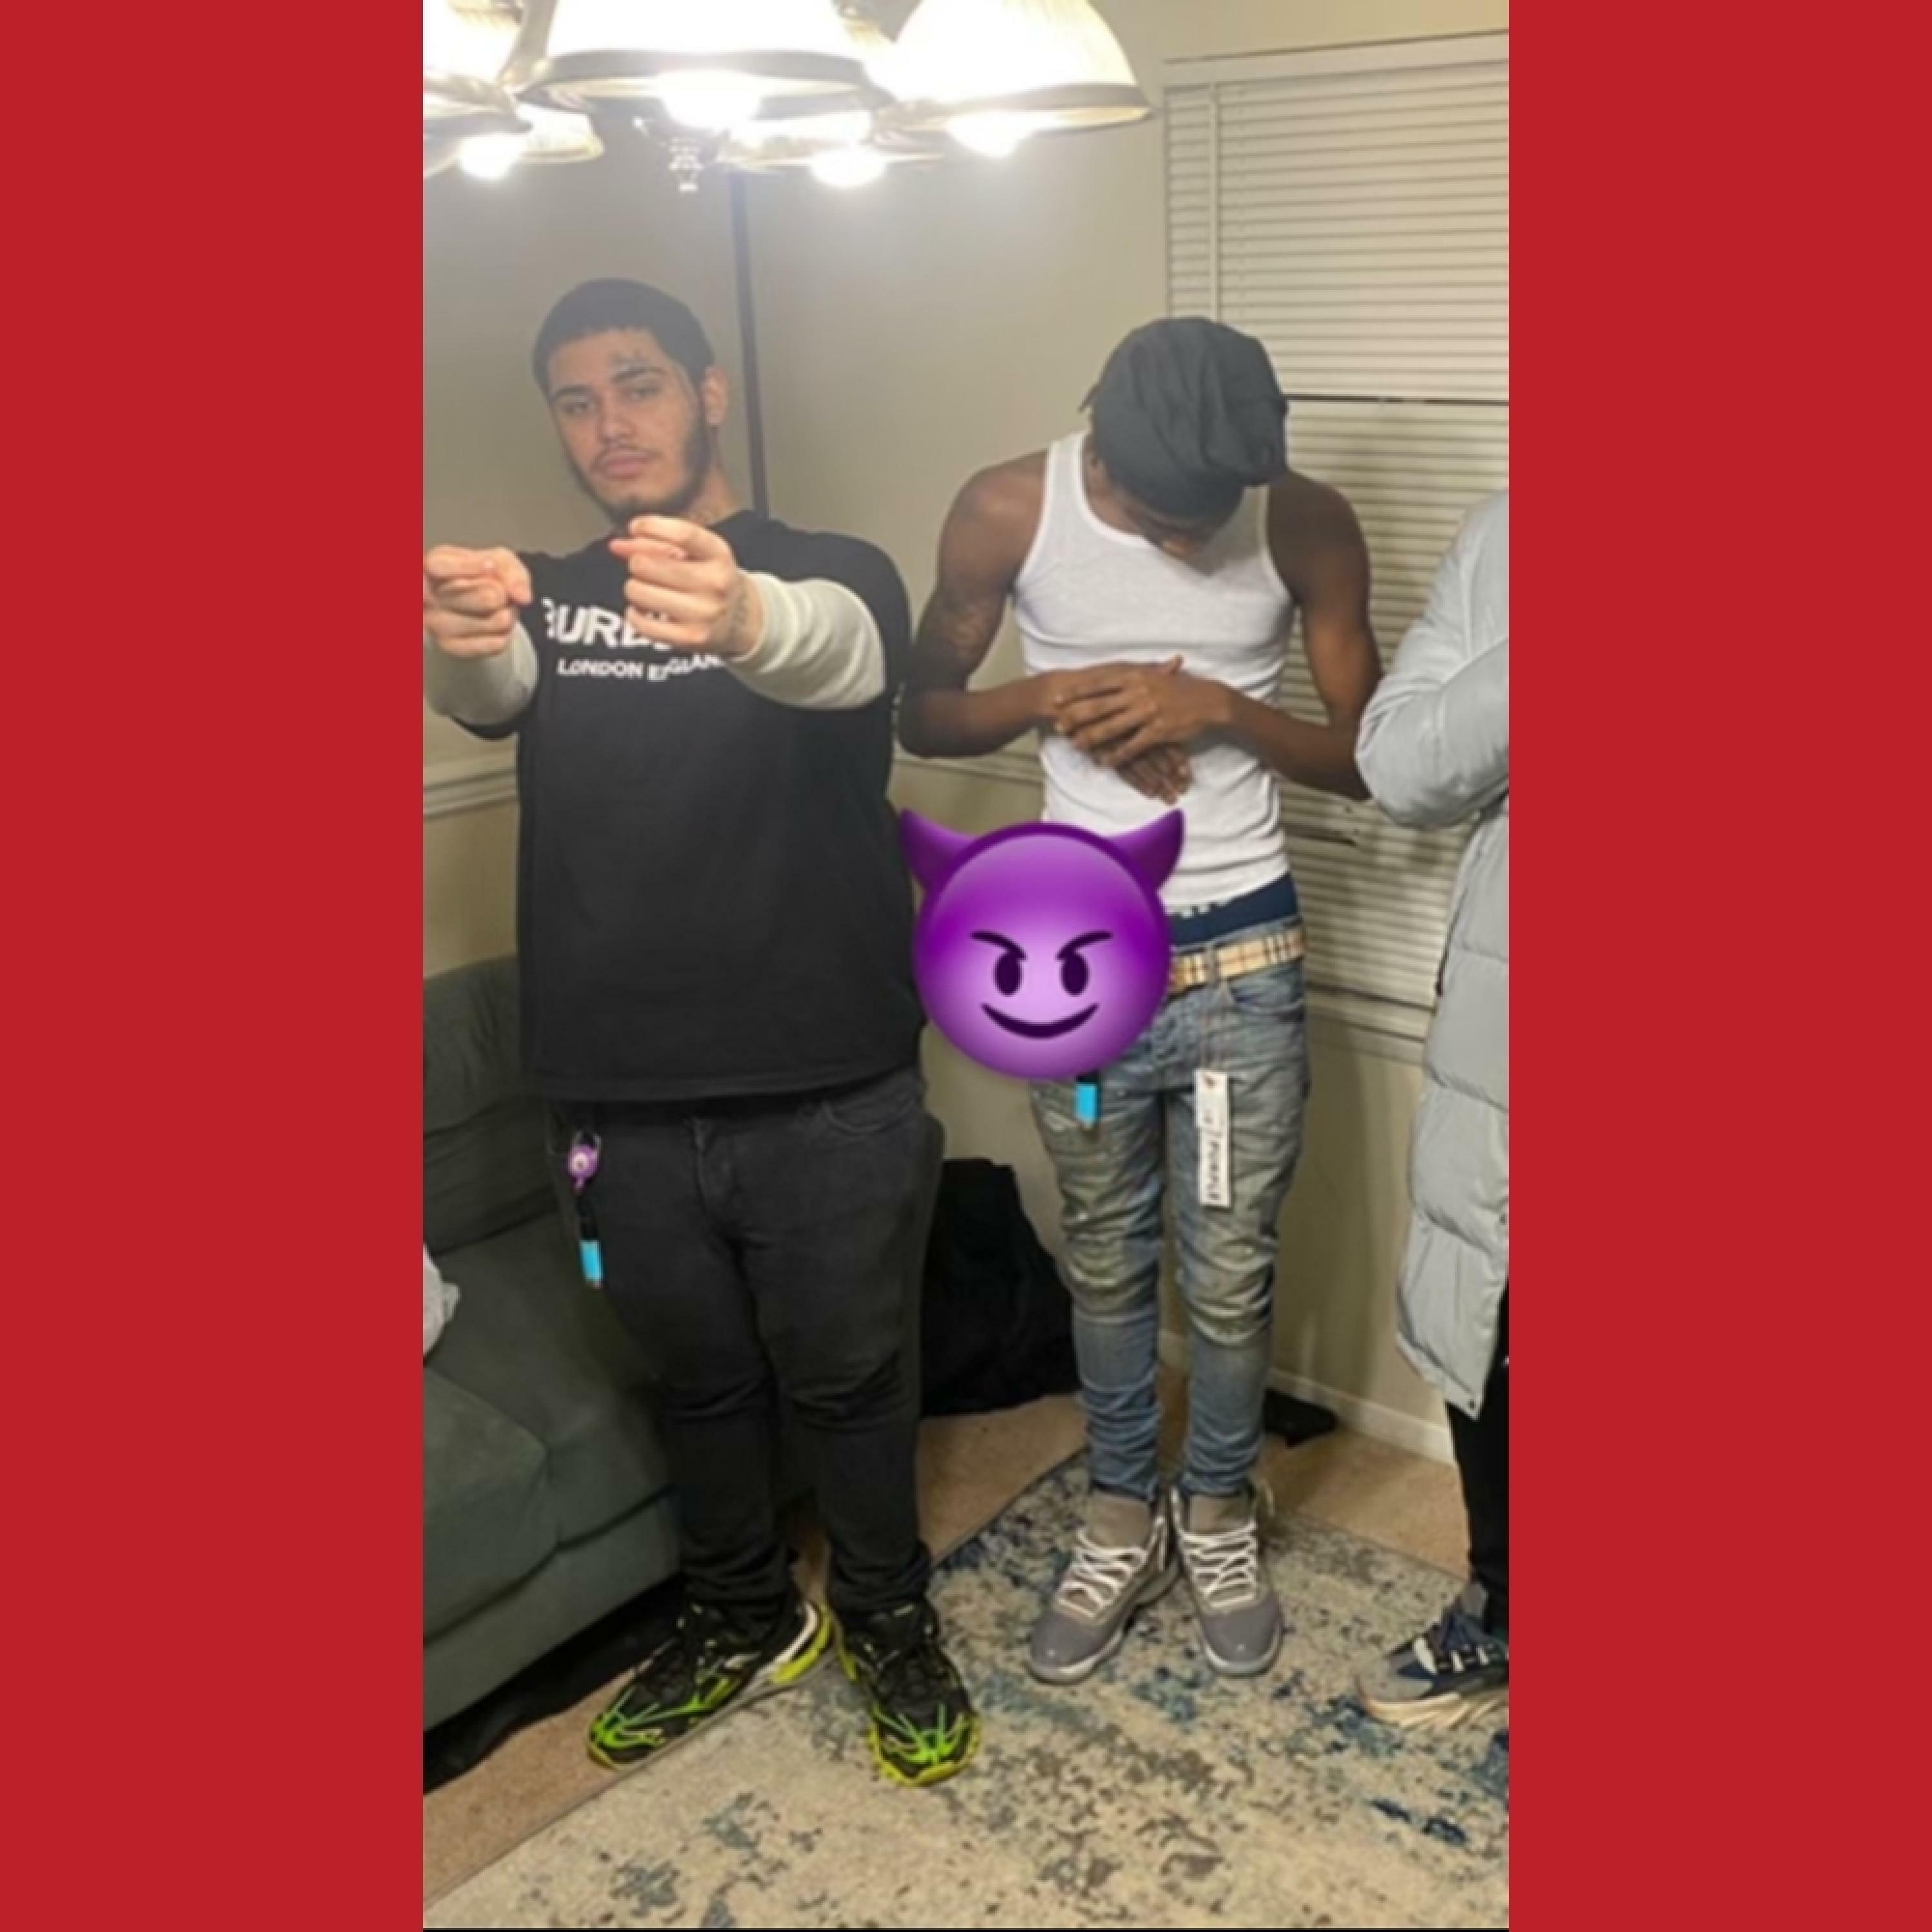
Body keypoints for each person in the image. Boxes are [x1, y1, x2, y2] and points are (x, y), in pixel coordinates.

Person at [422, 279, 977, 1788]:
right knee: (695, 1382)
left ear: (710, 394)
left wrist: (740, 615)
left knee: (853, 1380)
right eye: (578, 400)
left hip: (829, 1089)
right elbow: (488, 687)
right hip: (612, 1106)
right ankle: (742, 1614)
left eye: (642, 385)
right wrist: (458, 635)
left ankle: (886, 1617)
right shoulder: (548, 592)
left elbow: (838, 655)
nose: (611, 425)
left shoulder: (832, 569)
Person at [898, 317, 1381, 1684]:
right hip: (1083, 971)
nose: (1190, 539)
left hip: (1244, 966)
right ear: (1099, 443)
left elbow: (1369, 756)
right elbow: (921, 712)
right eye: (1168, 517)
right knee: (1107, 1260)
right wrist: (1054, 696)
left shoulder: (1304, 522)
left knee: (1228, 1273)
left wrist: (1217, 710)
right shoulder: (1008, 510)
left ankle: (1217, 1506)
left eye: (1210, 515)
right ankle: (1122, 1511)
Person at [1352, 491, 1510, 1730]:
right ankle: (1503, 1606)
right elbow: (1398, 766)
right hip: (1509, 1035)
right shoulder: (1509, 535)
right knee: (1491, 1327)